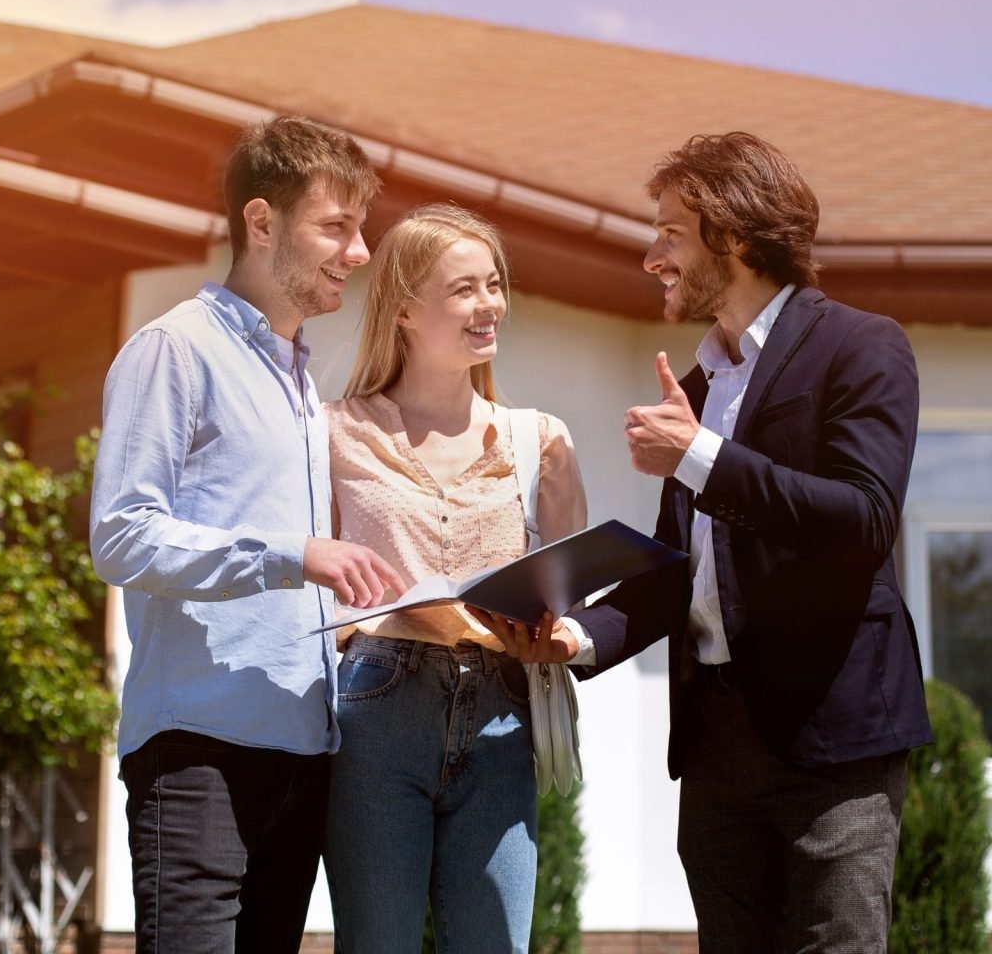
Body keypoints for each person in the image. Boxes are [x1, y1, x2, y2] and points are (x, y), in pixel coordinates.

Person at [480, 132, 933, 954]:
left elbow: (863, 519)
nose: (652, 256)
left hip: (834, 739)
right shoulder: (694, 388)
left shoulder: (862, 347)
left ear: (733, 234)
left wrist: (699, 455)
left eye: (669, 233)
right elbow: (675, 574)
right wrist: (576, 636)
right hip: (716, 743)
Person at [89, 115, 405, 954]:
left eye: (359, 229)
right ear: (261, 223)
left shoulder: (304, 384)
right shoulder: (174, 351)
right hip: (196, 758)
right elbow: (121, 536)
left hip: (304, 757)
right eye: (336, 227)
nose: (360, 252)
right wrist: (288, 554)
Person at [322, 203, 588, 954]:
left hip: (502, 714)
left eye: (495, 286)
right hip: (376, 708)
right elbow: (302, 582)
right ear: (404, 307)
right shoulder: (332, 433)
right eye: (465, 289)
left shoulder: (542, 441)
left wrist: (560, 629)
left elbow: (572, 589)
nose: (489, 306)